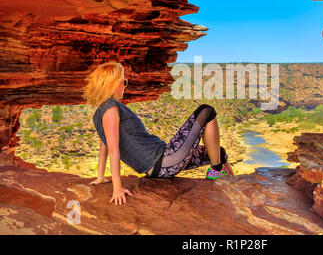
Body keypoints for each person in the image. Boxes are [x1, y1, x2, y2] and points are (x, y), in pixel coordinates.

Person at [82, 61, 234, 206]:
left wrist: (101, 177)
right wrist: (117, 188)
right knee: (206, 111)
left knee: (218, 153)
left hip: (163, 163)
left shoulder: (100, 113)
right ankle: (216, 172)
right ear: (112, 84)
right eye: (124, 81)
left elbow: (105, 145)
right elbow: (114, 150)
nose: (125, 85)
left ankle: (229, 179)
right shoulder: (111, 108)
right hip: (165, 160)